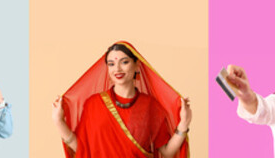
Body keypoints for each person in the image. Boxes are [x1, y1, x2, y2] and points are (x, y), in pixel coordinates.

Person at [52, 41, 191, 158]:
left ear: (137, 65)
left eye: (124, 62)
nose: (117, 69)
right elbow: (82, 148)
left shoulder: (150, 106)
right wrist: (58, 121)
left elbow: (166, 153)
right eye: (111, 64)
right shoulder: (94, 104)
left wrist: (184, 124)